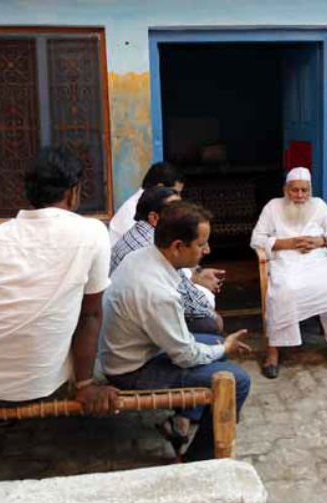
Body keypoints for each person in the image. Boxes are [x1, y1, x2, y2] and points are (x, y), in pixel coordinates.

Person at [0, 147, 118, 414]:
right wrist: (85, 385)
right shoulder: (93, 232)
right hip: (40, 386)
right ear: (74, 193)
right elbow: (90, 316)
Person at [99, 201, 252, 461]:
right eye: (201, 244)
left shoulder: (143, 256)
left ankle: (184, 419)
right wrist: (224, 348)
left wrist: (219, 347)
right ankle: (200, 459)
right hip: (131, 371)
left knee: (214, 343)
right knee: (239, 380)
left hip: (132, 351)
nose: (207, 249)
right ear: (178, 246)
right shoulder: (156, 292)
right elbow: (185, 356)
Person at [250, 167, 327, 379]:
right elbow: (257, 239)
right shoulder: (273, 207)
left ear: (309, 190)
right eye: (295, 190)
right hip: (285, 263)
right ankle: (273, 352)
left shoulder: (319, 206)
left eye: (304, 191)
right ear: (285, 189)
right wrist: (289, 243)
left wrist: (319, 241)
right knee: (285, 291)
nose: (300, 196)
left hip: (317, 263)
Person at [110, 185, 224, 335]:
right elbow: (191, 305)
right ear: (154, 218)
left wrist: (198, 275)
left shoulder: (138, 232)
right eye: (175, 211)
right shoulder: (156, 248)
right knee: (210, 325)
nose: (183, 215)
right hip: (140, 332)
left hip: (130, 324)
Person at [108, 162, 185, 247]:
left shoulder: (146, 204)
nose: (179, 198)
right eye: (175, 192)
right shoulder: (132, 209)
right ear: (160, 187)